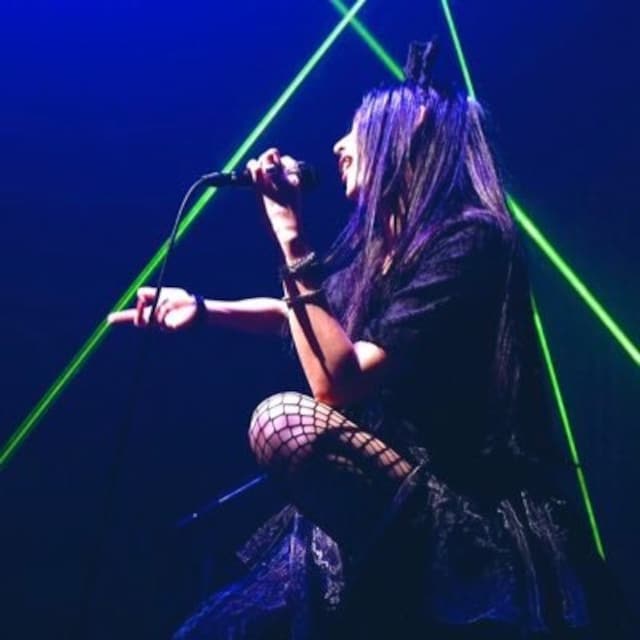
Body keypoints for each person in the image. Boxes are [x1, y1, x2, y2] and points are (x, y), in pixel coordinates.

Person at [109, 41, 628, 639]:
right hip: (389, 483)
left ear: (408, 134)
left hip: (451, 499)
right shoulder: (375, 256)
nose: (338, 146)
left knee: (282, 422)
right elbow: (300, 315)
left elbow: (337, 380)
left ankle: (399, 581)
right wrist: (205, 310)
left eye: (356, 130)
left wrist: (290, 235)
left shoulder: (471, 240)